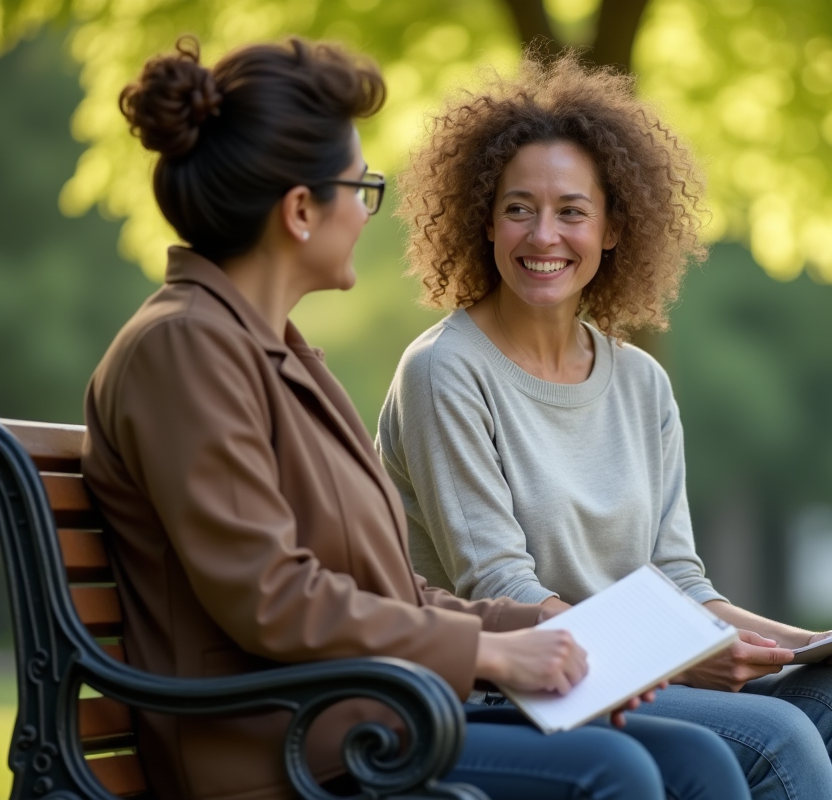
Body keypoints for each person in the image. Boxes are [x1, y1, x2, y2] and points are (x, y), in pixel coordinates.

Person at [81, 36, 751, 800]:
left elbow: (388, 586)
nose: (370, 214)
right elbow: (271, 596)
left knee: (697, 762)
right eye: (360, 188)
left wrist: (535, 636)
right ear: (302, 210)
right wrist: (493, 656)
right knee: (618, 768)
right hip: (286, 745)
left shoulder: (278, 354)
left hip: (369, 715)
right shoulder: (186, 350)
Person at [378, 52, 832, 800]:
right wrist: (674, 658)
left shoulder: (640, 381)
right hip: (515, 689)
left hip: (642, 673)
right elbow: (501, 590)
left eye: (572, 210)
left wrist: (819, 647)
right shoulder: (445, 372)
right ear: (485, 221)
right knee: (783, 739)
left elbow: (678, 582)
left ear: (611, 230)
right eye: (518, 208)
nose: (544, 236)